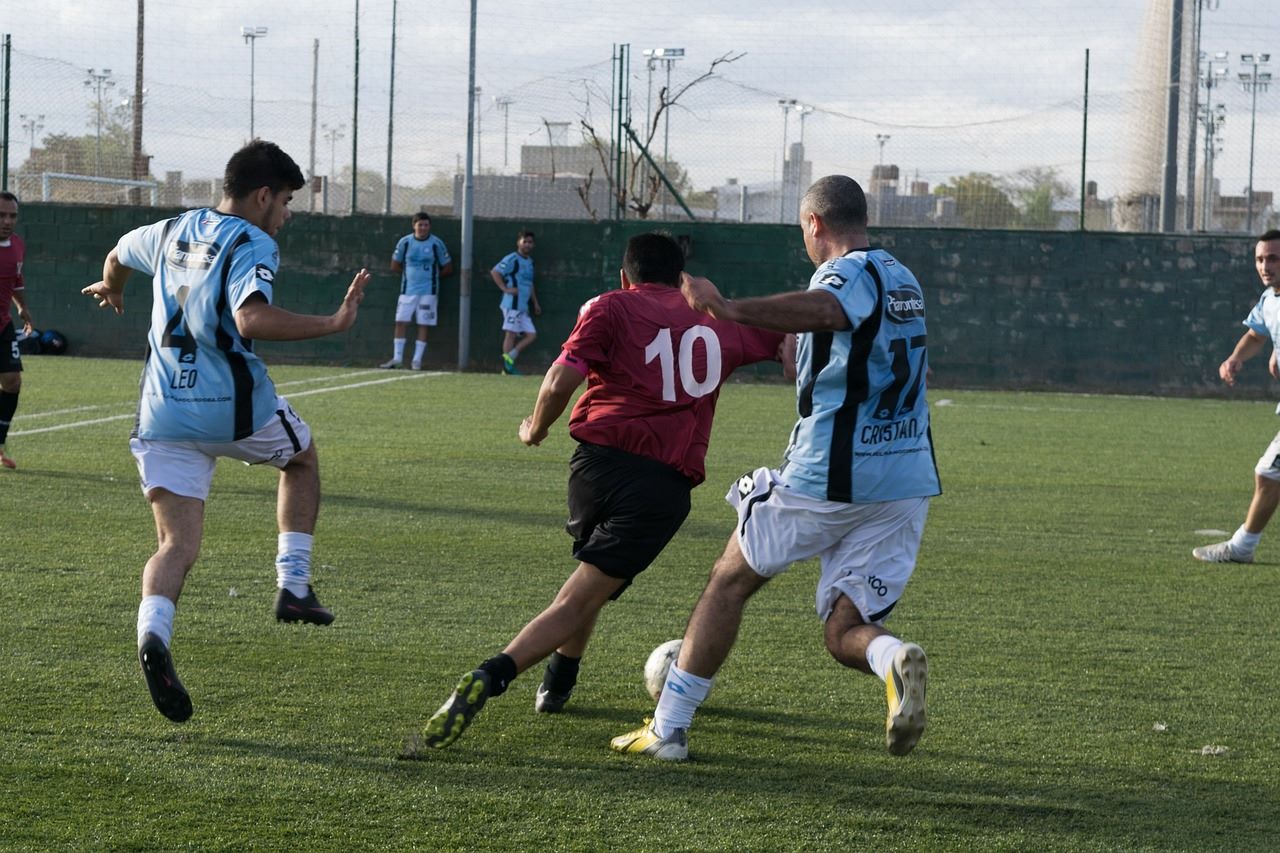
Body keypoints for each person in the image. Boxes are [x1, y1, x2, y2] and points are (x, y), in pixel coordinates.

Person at [414, 232, 789, 751]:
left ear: (625, 276)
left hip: (594, 468)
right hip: (661, 483)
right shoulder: (718, 317)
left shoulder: (608, 306)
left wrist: (537, 428)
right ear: (683, 277)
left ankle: (559, 682)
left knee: (590, 580)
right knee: (579, 597)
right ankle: (492, 674)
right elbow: (789, 343)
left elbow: (559, 381)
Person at [610, 175, 941, 762]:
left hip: (831, 475)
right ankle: (895, 658)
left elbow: (831, 306)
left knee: (728, 582)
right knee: (844, 631)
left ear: (814, 224)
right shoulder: (903, 278)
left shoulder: (847, 272)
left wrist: (728, 308)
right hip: (904, 480)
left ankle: (669, 730)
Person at [81, 140, 370, 723]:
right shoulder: (253, 241)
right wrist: (334, 322)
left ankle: (153, 634)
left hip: (162, 412)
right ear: (263, 195)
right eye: (286, 201)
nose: (285, 215)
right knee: (303, 459)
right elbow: (250, 317)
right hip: (230, 408)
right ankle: (294, 586)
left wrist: (113, 286)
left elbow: (116, 253)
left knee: (176, 546)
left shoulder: (171, 229)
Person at [1193, 229, 1280, 564]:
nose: (1264, 265)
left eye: (1273, 258)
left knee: (1268, 474)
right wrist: (1235, 358)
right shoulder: (1269, 301)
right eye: (1260, 259)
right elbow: (1256, 334)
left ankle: (1242, 548)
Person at [379, 211, 454, 370]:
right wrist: (410, 275)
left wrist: (431, 278)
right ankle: (397, 359)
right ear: (414, 226)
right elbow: (394, 265)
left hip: (429, 292)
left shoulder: (436, 243)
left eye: (426, 225)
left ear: (430, 227)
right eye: (420, 225)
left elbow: (448, 267)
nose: (423, 228)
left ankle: (416, 361)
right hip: (408, 291)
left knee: (423, 324)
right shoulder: (405, 242)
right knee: (400, 322)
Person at [0, 191, 35, 470]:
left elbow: (16, 278)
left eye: (12, 216)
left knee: (12, 381)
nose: (7, 221)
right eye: (1, 215)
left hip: (3, 323)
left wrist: (22, 307)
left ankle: (0, 444)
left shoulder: (17, 245)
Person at [491, 230, 540, 375]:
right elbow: (495, 271)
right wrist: (504, 288)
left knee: (531, 335)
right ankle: (507, 367)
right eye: (524, 241)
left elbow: (530, 284)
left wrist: (535, 303)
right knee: (511, 334)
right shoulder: (512, 258)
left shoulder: (530, 262)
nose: (527, 245)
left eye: (530, 242)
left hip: (523, 306)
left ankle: (510, 357)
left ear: (533, 245)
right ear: (518, 243)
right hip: (512, 304)